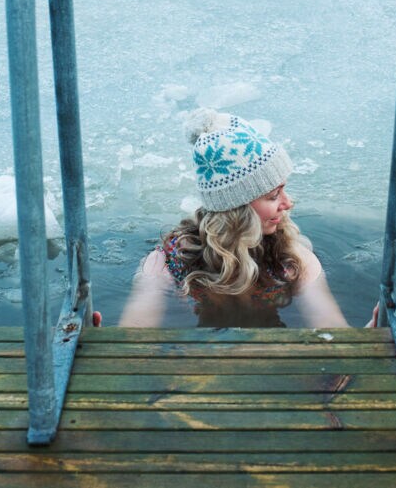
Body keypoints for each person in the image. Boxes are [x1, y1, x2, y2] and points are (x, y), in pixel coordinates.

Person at [117, 108, 357, 328]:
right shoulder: (174, 259)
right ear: (237, 210)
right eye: (274, 196)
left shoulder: (290, 259)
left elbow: (331, 328)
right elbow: (132, 335)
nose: (288, 203)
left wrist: (369, 340)